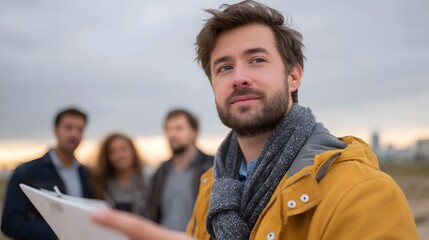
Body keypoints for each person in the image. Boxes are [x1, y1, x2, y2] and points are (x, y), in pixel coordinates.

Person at [92, 1, 419, 239]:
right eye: (224, 67)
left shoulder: (363, 193)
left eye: (257, 60)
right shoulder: (212, 188)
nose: (239, 77)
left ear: (293, 76)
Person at [2, 107, 92, 240]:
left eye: (79, 129)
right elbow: (11, 224)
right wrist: (58, 233)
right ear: (56, 130)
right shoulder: (26, 172)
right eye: (68, 127)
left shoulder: (87, 174)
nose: (74, 134)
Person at [148, 109, 214, 231]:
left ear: (193, 132)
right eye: (168, 129)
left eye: (178, 128)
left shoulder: (213, 167)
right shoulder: (161, 172)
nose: (171, 134)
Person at [91, 133, 151, 217]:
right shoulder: (100, 185)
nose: (120, 156)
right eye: (113, 152)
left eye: (123, 149)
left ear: (132, 151)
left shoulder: (148, 182)